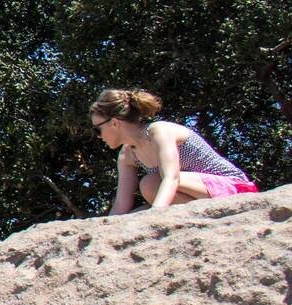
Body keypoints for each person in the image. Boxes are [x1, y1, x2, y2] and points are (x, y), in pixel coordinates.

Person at [91, 88, 257, 215]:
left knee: (150, 184)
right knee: (136, 212)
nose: (98, 136)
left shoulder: (158, 131)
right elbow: (121, 204)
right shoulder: (127, 155)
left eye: (97, 130)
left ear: (114, 123)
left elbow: (171, 177)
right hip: (199, 199)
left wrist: (155, 215)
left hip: (234, 190)